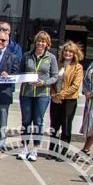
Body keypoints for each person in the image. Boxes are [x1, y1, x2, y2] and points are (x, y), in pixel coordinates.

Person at [17, 31, 59, 162]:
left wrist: (44, 83)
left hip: (42, 94)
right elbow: (20, 71)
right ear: (35, 42)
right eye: (38, 41)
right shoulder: (26, 56)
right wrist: (24, 77)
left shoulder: (51, 58)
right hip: (26, 93)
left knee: (38, 121)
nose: (40, 43)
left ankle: (34, 149)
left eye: (43, 41)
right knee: (26, 120)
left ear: (47, 44)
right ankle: (24, 147)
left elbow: (55, 76)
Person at [49, 41, 84, 159]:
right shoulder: (57, 64)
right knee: (54, 126)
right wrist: (54, 94)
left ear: (75, 53)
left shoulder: (78, 67)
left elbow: (75, 86)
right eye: (66, 51)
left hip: (69, 100)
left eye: (70, 51)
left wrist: (61, 95)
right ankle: (52, 151)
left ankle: (62, 152)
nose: (68, 53)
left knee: (66, 126)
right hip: (55, 99)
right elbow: (52, 80)